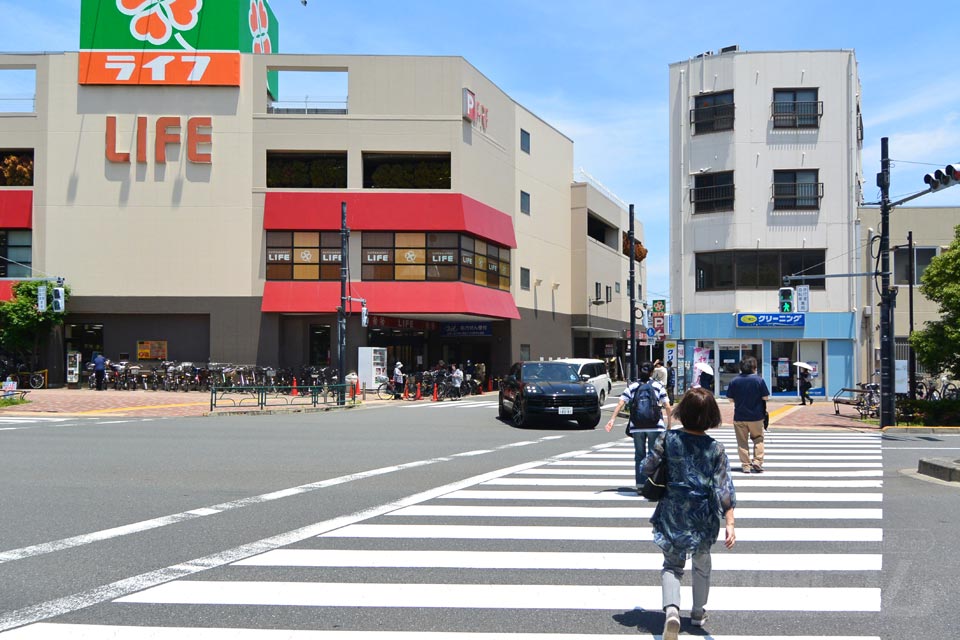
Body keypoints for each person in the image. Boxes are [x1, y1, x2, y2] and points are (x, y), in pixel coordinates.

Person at [640, 387, 736, 639]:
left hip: (673, 510)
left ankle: (672, 611)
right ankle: (697, 612)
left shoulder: (667, 440)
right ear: (711, 416)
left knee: (672, 565)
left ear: (684, 412)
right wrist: (730, 522)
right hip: (703, 514)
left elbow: (647, 467)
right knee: (702, 562)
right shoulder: (715, 448)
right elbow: (723, 486)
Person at [605, 361, 672, 490]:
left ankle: (640, 485)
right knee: (653, 454)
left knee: (639, 455)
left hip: (637, 426)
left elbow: (621, 403)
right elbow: (667, 406)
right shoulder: (658, 386)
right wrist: (668, 425)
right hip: (655, 425)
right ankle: (652, 484)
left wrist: (612, 419)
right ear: (652, 372)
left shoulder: (633, 386)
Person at [725, 356, 770, 474]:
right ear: (754, 368)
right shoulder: (759, 380)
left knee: (742, 442)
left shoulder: (734, 381)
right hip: (756, 416)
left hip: (740, 416)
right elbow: (765, 397)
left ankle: (746, 465)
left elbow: (730, 399)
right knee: (758, 439)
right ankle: (757, 461)